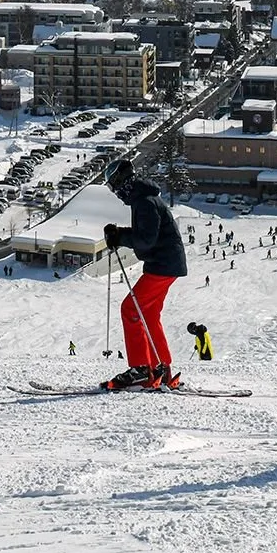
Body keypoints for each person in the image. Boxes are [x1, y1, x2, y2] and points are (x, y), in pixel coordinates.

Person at [101, 157, 188, 390]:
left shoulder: (145, 202)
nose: (114, 192)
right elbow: (146, 235)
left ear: (123, 182)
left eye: (113, 186)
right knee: (146, 315)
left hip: (163, 264)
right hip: (165, 263)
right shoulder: (143, 199)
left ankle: (141, 369)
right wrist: (119, 234)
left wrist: (120, 236)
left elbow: (146, 240)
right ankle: (162, 369)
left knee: (130, 309)